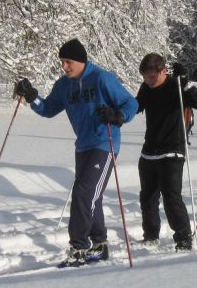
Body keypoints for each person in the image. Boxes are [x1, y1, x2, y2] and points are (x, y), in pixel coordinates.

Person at [14, 38, 138, 266]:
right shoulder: (64, 85)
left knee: (83, 193)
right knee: (92, 196)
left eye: (68, 62)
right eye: (62, 62)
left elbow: (131, 103)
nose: (64, 67)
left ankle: (79, 247)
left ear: (81, 61)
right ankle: (100, 245)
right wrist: (32, 97)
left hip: (105, 144)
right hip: (83, 146)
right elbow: (49, 109)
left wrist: (118, 116)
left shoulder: (101, 78)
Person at [135, 54, 197, 251]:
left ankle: (183, 238)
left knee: (171, 197)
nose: (148, 81)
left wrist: (185, 81)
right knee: (147, 198)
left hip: (172, 151)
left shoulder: (175, 86)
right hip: (149, 150)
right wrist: (116, 112)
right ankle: (150, 235)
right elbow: (135, 106)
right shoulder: (145, 89)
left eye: (151, 76)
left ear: (163, 71)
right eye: (145, 77)